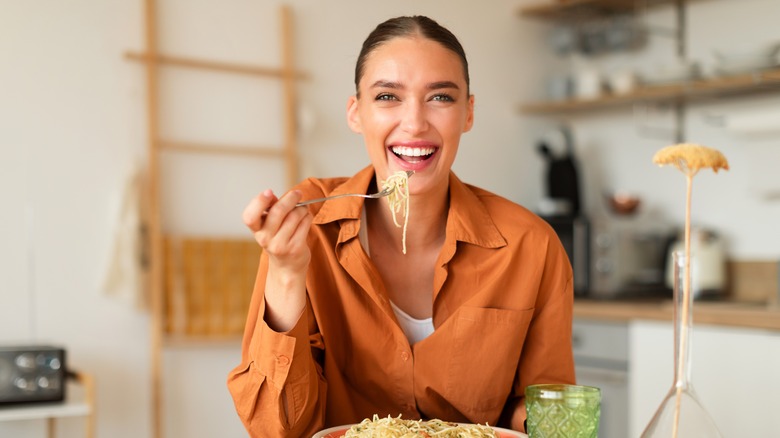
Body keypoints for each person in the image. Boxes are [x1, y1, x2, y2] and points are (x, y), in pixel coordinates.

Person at [227, 15, 575, 437]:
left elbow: (544, 409)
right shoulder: (309, 229)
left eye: (441, 98)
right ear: (356, 113)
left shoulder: (530, 245)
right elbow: (275, 430)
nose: (414, 123)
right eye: (388, 96)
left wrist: (551, 423)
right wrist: (285, 271)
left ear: (467, 113)